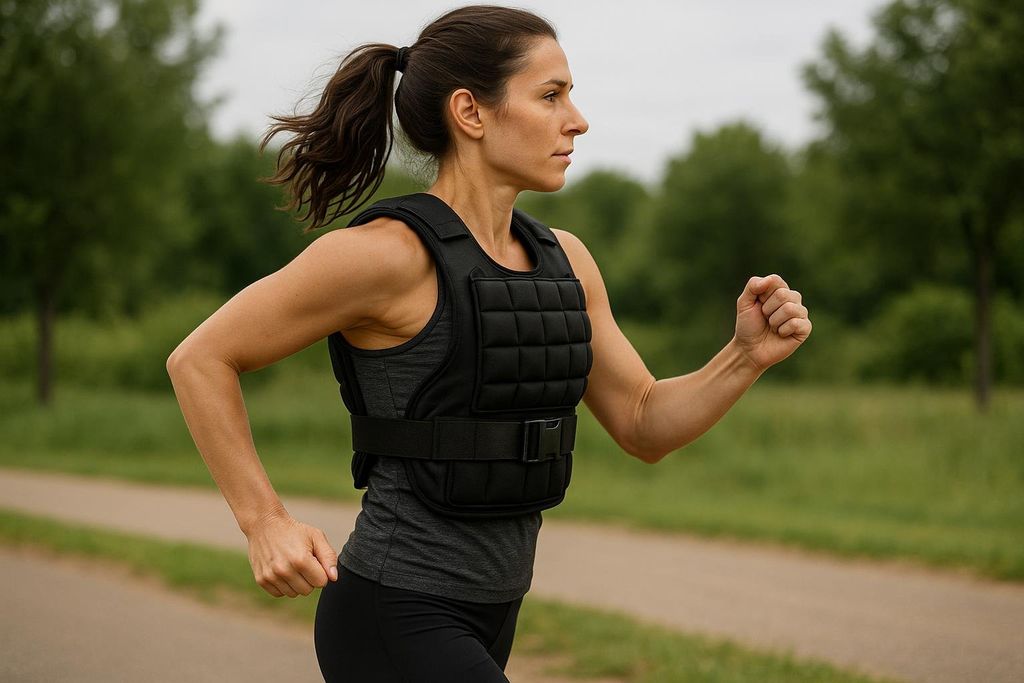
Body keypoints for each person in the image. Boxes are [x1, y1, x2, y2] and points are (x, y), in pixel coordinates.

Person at [166, 4, 812, 682]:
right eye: (551, 95)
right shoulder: (384, 257)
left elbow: (644, 421)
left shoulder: (566, 259)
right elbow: (201, 358)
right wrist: (263, 520)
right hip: (394, 610)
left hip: (497, 611)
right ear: (471, 113)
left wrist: (744, 356)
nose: (578, 119)